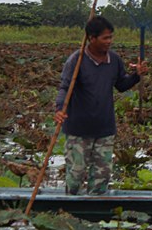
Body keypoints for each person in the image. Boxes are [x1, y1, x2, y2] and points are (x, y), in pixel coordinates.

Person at [54, 15, 147, 195]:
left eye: (111, 37)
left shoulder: (114, 60)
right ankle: (70, 212)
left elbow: (121, 85)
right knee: (76, 175)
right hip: (78, 130)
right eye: (105, 38)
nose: (109, 41)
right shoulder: (76, 60)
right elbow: (64, 87)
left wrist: (136, 75)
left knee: (102, 177)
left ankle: (95, 214)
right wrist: (59, 109)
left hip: (104, 129)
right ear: (91, 38)